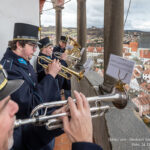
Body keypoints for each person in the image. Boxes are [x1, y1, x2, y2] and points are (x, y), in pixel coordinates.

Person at [0, 65, 102, 150]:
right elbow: (31, 103)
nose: (15, 107)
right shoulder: (11, 65)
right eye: (4, 106)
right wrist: (85, 144)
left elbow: (22, 139)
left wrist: (53, 119)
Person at [1, 23, 62, 150]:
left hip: (37, 126)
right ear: (18, 44)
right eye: (32, 46)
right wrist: (51, 76)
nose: (35, 50)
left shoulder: (21, 60)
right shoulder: (10, 68)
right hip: (27, 133)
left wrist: (43, 74)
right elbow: (30, 105)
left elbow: (30, 83)